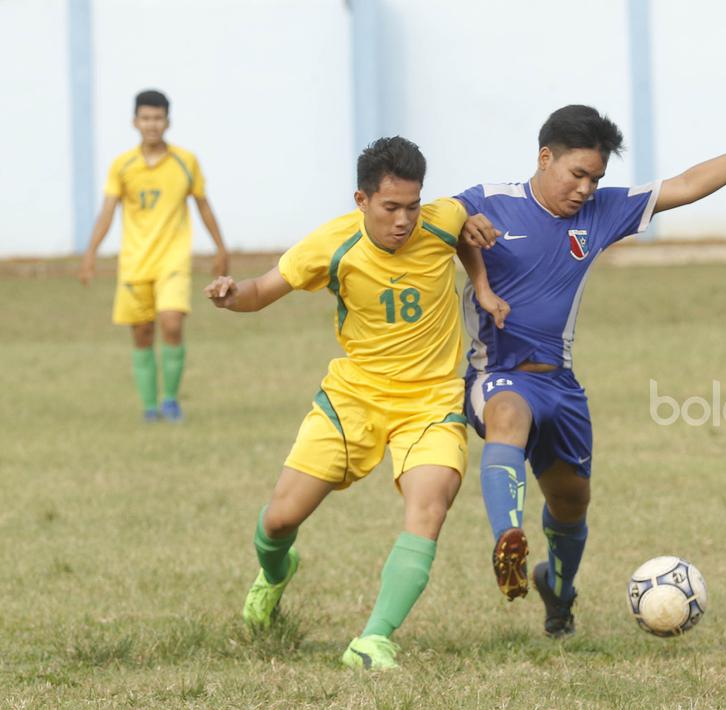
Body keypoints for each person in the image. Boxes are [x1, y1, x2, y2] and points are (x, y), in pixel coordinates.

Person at [455, 104, 726, 636]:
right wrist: (464, 233)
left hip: (561, 384)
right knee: (507, 415)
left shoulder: (599, 213)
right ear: (544, 157)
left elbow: (687, 184)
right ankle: (508, 539)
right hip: (498, 373)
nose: (586, 189)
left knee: (571, 505)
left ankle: (559, 588)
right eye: (577, 174)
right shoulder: (487, 202)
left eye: (596, 178)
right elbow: (431, 218)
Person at [204, 137, 506, 672]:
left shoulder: (442, 219)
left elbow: (464, 230)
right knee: (279, 521)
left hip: (430, 403)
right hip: (355, 399)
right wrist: (233, 295)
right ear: (361, 200)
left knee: (430, 505)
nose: (405, 221)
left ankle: (372, 641)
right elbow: (262, 290)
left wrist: (480, 284)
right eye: (391, 207)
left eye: (413, 206)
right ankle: (275, 574)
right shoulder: (331, 245)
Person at [79, 89, 228, 422]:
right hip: (134, 262)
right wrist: (90, 253)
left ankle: (171, 401)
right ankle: (149, 407)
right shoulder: (123, 166)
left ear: (167, 121)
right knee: (142, 332)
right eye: (145, 118)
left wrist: (220, 246)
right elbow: (106, 212)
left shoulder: (185, 161)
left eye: (157, 118)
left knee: (172, 323)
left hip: (172, 260)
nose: (151, 124)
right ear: (135, 122)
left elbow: (203, 205)